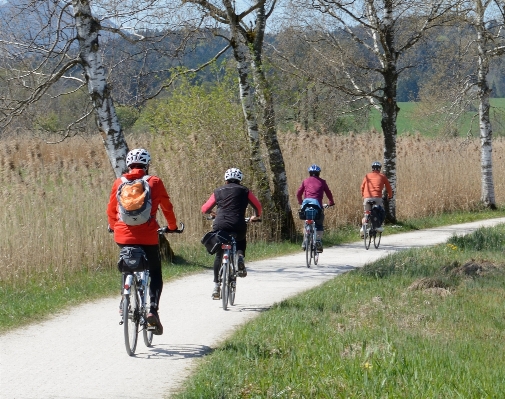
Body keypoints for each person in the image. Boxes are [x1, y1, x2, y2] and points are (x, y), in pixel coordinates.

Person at [107, 148, 178, 335]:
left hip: (122, 235)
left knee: (127, 263)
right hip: (148, 236)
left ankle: (124, 299)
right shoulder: (154, 182)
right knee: (155, 272)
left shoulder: (119, 182)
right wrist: (172, 226)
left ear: (128, 165)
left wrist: (114, 226)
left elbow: (111, 210)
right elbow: (167, 207)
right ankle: (153, 310)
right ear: (147, 165)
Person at [201, 168, 262, 299]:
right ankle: (240, 257)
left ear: (226, 179)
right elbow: (258, 207)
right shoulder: (245, 191)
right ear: (240, 180)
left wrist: (213, 214)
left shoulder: (218, 191)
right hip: (238, 223)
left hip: (220, 224)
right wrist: (255, 217)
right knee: (240, 240)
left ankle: (216, 286)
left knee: (219, 254)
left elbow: (205, 208)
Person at [296, 164, 335, 253]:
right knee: (319, 224)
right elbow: (329, 193)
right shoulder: (322, 182)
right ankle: (317, 241)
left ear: (310, 173)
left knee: (306, 221)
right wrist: (331, 202)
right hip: (317, 205)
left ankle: (305, 241)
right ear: (318, 173)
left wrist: (300, 202)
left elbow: (298, 193)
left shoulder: (305, 181)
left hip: (306, 204)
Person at [360, 161, 393, 236]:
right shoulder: (382, 176)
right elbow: (389, 188)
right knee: (380, 212)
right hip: (377, 198)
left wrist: (363, 196)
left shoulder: (367, 176)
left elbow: (362, 187)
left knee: (366, 214)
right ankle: (378, 226)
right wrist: (389, 196)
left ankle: (363, 228)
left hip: (367, 198)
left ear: (372, 169)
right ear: (380, 169)